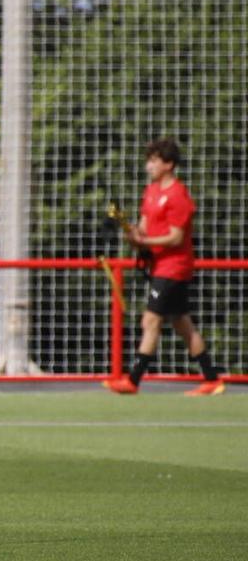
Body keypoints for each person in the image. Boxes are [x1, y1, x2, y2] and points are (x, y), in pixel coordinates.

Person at [103, 137, 225, 397]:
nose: (149, 166)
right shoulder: (151, 192)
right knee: (182, 323)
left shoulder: (178, 195)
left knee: (151, 319)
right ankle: (212, 379)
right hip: (159, 266)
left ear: (169, 164)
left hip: (175, 266)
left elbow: (176, 237)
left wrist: (145, 240)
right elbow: (144, 230)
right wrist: (134, 236)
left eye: (154, 161)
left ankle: (133, 381)